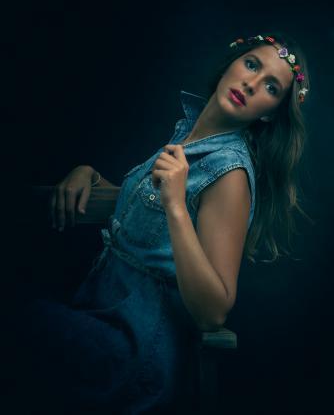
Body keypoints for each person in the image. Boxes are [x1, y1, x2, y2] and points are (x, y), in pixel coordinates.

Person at [20, 31, 311, 414]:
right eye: (252, 65)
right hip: (95, 313)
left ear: (271, 111)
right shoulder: (189, 135)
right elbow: (141, 215)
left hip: (134, 349)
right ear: (232, 62)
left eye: (271, 87)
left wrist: (176, 206)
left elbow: (215, 311)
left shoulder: (230, 173)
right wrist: (86, 174)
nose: (252, 83)